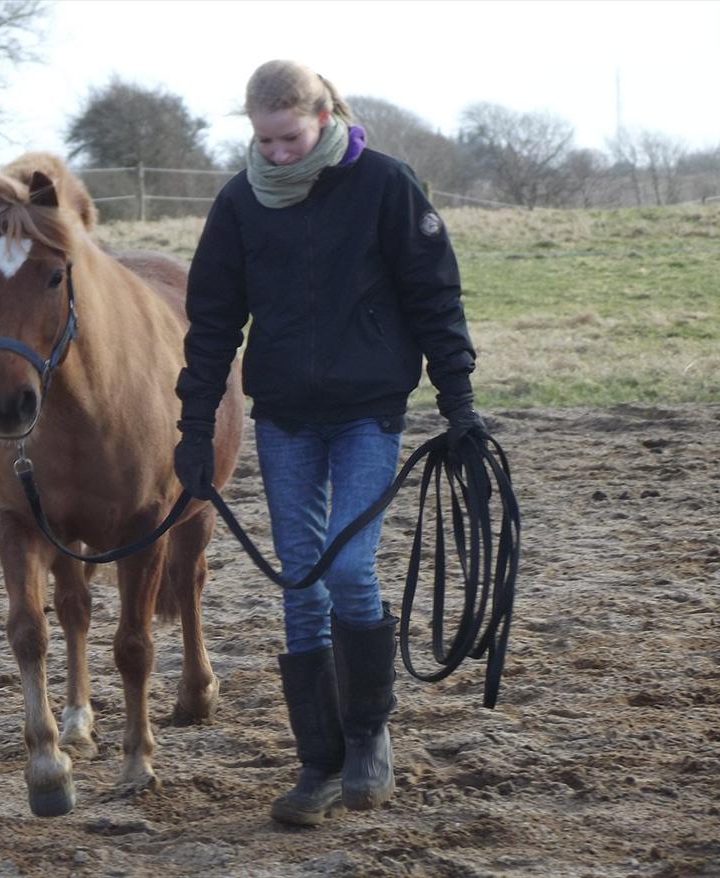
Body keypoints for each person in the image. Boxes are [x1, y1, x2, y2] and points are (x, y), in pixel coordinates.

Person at [173, 60, 486, 827]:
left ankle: (368, 732)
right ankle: (318, 763)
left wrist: (459, 402)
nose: (275, 153)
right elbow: (213, 323)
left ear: (321, 117)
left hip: (367, 412)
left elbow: (433, 294)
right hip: (283, 416)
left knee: (348, 568)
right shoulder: (240, 201)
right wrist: (192, 425)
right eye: (263, 139)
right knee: (299, 582)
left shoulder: (384, 184)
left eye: (288, 137)